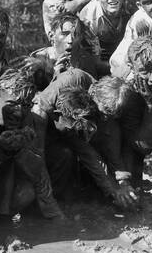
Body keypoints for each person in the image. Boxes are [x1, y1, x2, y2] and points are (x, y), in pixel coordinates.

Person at [33, 69, 137, 208]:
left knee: (68, 155)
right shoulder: (73, 80)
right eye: (104, 113)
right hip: (43, 129)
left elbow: (99, 151)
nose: (105, 118)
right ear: (94, 95)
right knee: (59, 157)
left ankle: (57, 201)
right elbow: (39, 109)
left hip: (70, 133)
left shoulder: (106, 112)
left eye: (109, 116)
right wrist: (37, 156)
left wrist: (122, 184)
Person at [0, 69, 64, 219]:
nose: (18, 113)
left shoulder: (32, 119)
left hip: (12, 188)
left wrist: (53, 212)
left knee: (61, 156)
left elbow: (39, 169)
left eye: (25, 105)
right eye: (12, 104)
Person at [79, 0, 138, 70]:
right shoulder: (88, 16)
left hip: (128, 53)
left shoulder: (133, 6)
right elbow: (93, 60)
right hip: (101, 56)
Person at [31, 13, 100, 79]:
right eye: (64, 34)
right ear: (51, 36)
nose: (70, 40)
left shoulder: (85, 60)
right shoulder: (38, 60)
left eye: (76, 35)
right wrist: (55, 77)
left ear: (81, 38)